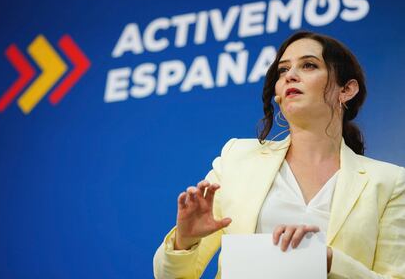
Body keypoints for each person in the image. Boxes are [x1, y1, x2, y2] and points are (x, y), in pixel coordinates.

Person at [153, 31, 405, 278]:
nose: (290, 76)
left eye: (308, 65)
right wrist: (184, 241)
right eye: (283, 70)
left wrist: (329, 261)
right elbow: (169, 276)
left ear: (347, 90)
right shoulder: (237, 158)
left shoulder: (389, 181)